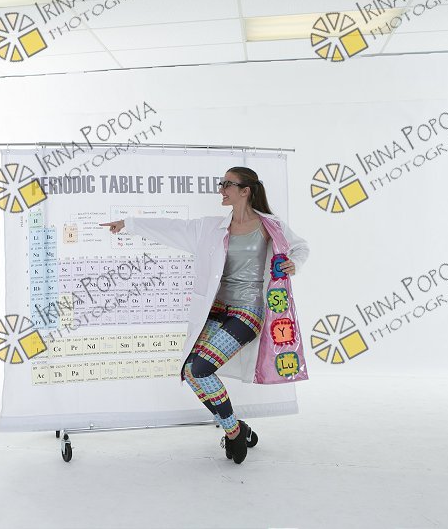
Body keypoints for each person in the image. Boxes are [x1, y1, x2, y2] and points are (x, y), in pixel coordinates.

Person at [101, 166, 310, 464]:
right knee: (191, 371)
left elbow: (300, 247)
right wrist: (128, 223)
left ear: (245, 190)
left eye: (227, 184)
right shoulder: (211, 228)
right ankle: (235, 429)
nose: (221, 189)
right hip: (216, 310)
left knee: (200, 369)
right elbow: (172, 228)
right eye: (221, 183)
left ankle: (233, 431)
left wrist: (293, 263)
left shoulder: (270, 226)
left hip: (248, 311)